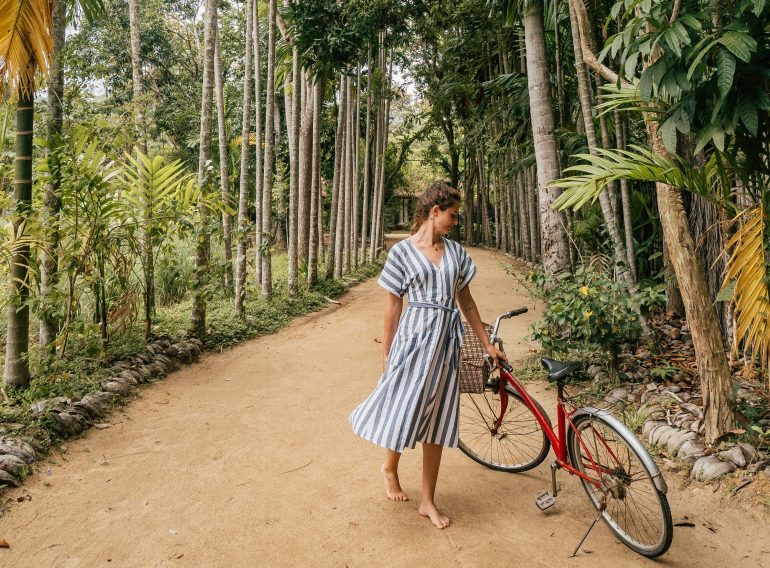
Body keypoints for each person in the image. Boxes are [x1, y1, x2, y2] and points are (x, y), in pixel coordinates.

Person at [349, 181, 506, 529]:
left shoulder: (456, 253)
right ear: (435, 212)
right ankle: (390, 467)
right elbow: (393, 306)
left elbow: (467, 303)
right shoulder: (402, 253)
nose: (456, 221)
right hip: (413, 342)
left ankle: (427, 500)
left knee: (438, 418)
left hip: (446, 345)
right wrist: (387, 353)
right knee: (403, 406)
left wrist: (487, 343)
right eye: (453, 215)